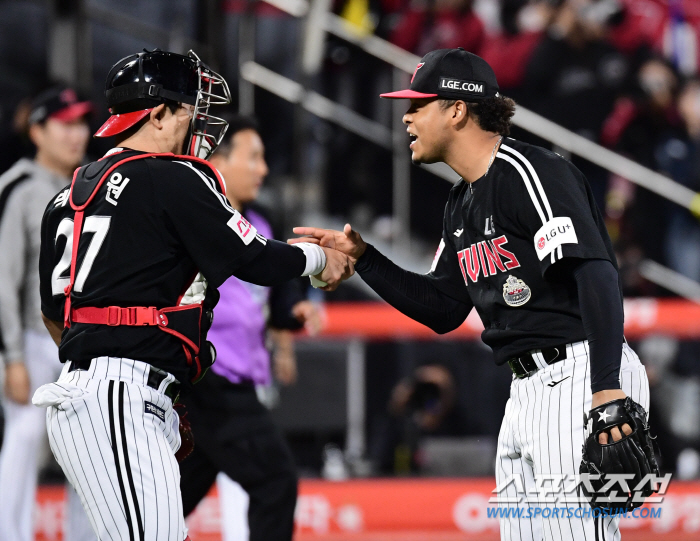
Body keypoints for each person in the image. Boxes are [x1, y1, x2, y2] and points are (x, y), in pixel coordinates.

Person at [293, 48, 655, 540]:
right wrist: (367, 261)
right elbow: (443, 308)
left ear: (457, 109)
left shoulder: (531, 173)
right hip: (527, 387)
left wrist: (606, 386)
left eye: (418, 104)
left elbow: (596, 273)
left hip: (579, 372)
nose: (406, 116)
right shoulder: (460, 202)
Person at [33, 49, 352, 541]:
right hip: (120, 397)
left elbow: (56, 316)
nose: (196, 122)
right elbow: (257, 259)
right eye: (187, 109)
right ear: (156, 114)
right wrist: (319, 259)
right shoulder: (172, 176)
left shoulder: (67, 195)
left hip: (100, 395)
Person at [178, 116, 322, 541]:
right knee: (275, 482)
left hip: (236, 379)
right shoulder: (191, 218)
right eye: (253, 157)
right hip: (207, 381)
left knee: (169, 499)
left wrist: (295, 313)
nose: (263, 169)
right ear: (217, 160)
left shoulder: (261, 223)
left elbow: (278, 302)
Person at [0, 85, 94, 541]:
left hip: (84, 343)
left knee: (88, 454)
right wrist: (10, 357)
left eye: (82, 123)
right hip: (34, 343)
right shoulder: (17, 187)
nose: (78, 134)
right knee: (23, 440)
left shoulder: (89, 188)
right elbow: (2, 278)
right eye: (66, 123)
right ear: (37, 130)